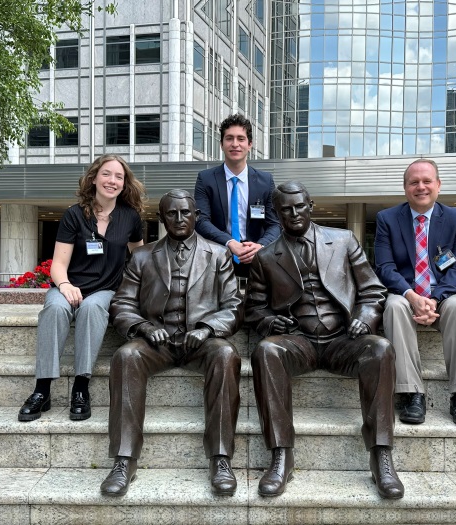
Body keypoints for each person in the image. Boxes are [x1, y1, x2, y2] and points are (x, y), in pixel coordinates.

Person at [245, 181, 404, 500]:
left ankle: (381, 456)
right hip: (298, 341)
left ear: (310, 205)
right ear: (276, 213)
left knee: (381, 348)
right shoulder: (265, 257)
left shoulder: (343, 240)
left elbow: (372, 290)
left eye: (299, 206)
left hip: (343, 339)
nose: (293, 213)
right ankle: (281, 455)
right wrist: (268, 320)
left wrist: (364, 317)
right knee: (265, 350)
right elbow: (253, 309)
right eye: (286, 209)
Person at [100, 189, 243, 497]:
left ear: (196, 216)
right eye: (171, 214)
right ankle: (124, 460)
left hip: (201, 342)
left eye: (186, 213)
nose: (179, 219)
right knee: (126, 357)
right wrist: (143, 326)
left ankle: (220, 458)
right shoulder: (141, 256)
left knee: (227, 354)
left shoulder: (218, 254)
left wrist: (207, 329)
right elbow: (122, 304)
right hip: (158, 343)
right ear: (161, 218)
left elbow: (234, 305)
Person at [18, 155, 145, 422]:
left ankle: (80, 387)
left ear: (124, 184)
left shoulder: (130, 218)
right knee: (53, 308)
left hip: (105, 289)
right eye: (106, 174)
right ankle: (42, 390)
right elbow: (58, 264)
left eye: (118, 177)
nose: (112, 181)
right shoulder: (75, 215)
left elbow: (141, 258)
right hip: (68, 285)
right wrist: (64, 285)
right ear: (94, 178)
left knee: (91, 308)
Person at [374, 158, 456, 427]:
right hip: (405, 293)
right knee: (394, 306)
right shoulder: (387, 219)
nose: (420, 187)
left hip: (443, 294)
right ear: (405, 187)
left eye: (426, 181)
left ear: (438, 185)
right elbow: (385, 268)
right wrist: (412, 297)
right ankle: (412, 393)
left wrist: (432, 300)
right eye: (414, 182)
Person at [194, 113, 280, 277]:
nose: (235, 144)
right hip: (217, 259)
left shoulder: (265, 181)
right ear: (221, 144)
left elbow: (274, 224)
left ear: (250, 144)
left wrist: (260, 246)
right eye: (229, 138)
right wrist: (230, 242)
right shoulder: (205, 179)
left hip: (257, 260)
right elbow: (201, 221)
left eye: (241, 139)